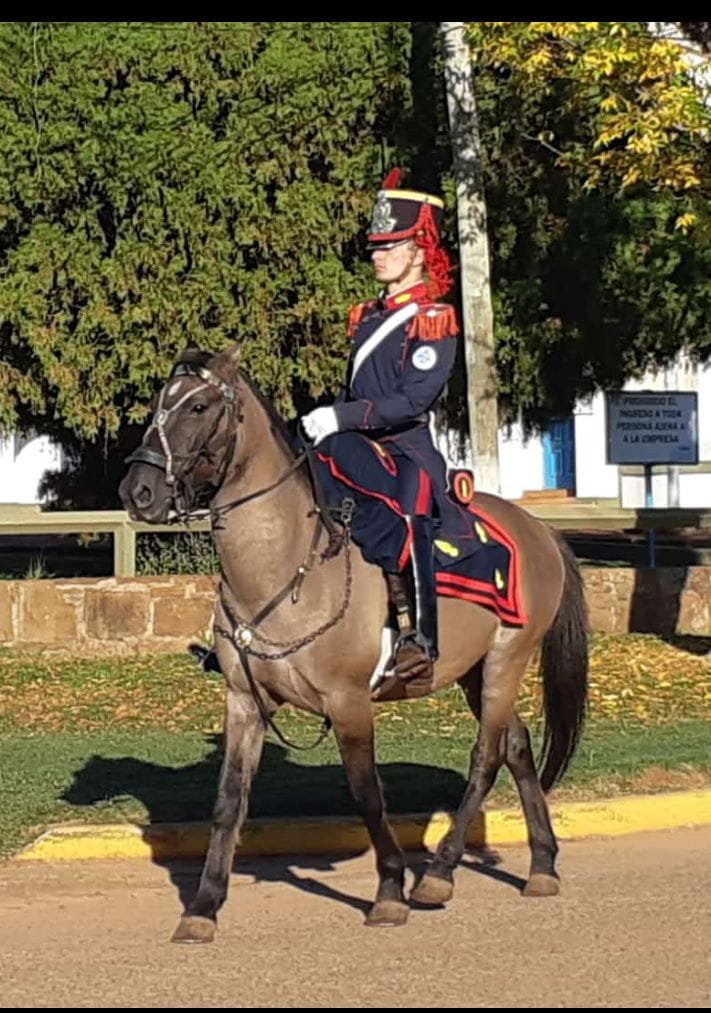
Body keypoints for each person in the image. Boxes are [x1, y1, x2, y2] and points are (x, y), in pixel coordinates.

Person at [301, 169, 459, 683]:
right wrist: (329, 419)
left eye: (390, 246)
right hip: (355, 444)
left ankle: (422, 637)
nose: (377, 254)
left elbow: (412, 400)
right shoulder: (367, 316)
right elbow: (358, 389)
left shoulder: (432, 318)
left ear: (419, 251)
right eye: (376, 246)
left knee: (411, 509)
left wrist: (340, 417)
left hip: (405, 449)